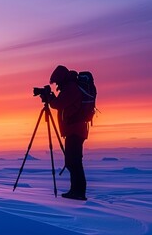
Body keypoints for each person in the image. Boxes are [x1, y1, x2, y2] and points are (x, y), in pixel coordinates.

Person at [48, 65, 89, 201]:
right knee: (72, 161)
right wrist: (52, 98)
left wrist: (50, 98)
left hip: (75, 130)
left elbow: (59, 104)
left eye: (57, 82)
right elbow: (60, 103)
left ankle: (78, 192)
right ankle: (75, 190)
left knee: (73, 161)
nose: (57, 85)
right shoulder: (69, 87)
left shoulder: (71, 88)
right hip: (74, 130)